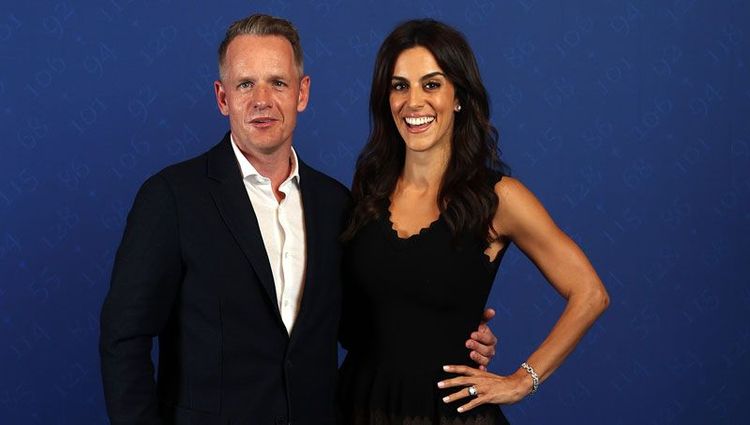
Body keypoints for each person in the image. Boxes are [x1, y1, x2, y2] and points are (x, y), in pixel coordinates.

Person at [99, 14, 497, 425]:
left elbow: (362, 328)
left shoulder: (336, 204)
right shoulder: (171, 198)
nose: (262, 100)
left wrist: (451, 327)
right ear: (222, 98)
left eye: (278, 82)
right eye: (245, 84)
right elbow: (123, 339)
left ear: (301, 93)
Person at [338, 19, 610, 425]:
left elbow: (590, 293)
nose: (414, 102)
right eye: (400, 86)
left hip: (449, 415)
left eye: (432, 85)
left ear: (459, 97)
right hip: (356, 407)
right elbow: (350, 318)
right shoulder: (368, 192)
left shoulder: (499, 199)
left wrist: (522, 380)